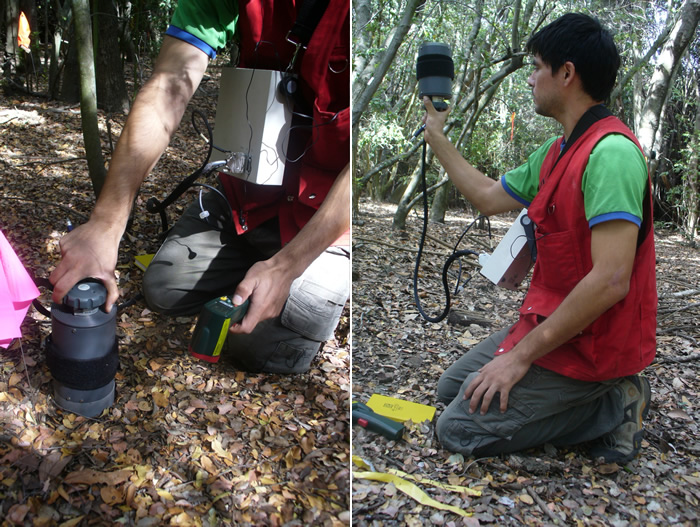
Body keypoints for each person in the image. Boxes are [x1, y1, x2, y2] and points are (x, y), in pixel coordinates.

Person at [50, 0, 350, 374]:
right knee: (162, 288)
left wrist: (286, 268)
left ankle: (286, 276)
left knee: (257, 347)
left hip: (322, 219)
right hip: (249, 200)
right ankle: (251, 266)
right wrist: (106, 224)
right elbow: (169, 86)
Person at [422, 13, 656, 463]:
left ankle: (615, 400)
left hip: (596, 347)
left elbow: (611, 280)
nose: (530, 79)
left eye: (536, 67)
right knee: (451, 388)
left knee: (457, 429)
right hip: (553, 326)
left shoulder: (611, 155)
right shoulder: (556, 151)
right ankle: (580, 398)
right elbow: (489, 198)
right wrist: (437, 137)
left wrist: (518, 358)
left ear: (566, 73)